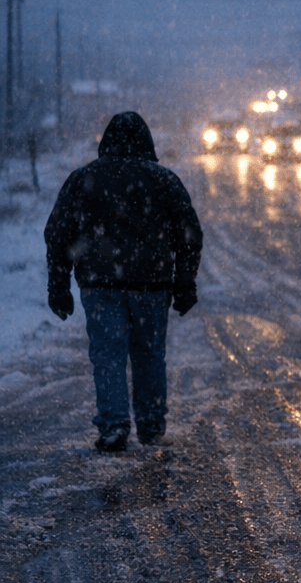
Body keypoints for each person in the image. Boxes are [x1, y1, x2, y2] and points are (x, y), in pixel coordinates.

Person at [45, 112, 203, 452]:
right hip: (151, 285)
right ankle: (150, 424)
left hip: (101, 286)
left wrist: (58, 286)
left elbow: (57, 234)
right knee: (149, 355)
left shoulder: (83, 179)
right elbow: (190, 235)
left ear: (106, 142)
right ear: (147, 142)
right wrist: (184, 283)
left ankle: (115, 425)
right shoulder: (164, 180)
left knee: (108, 354)